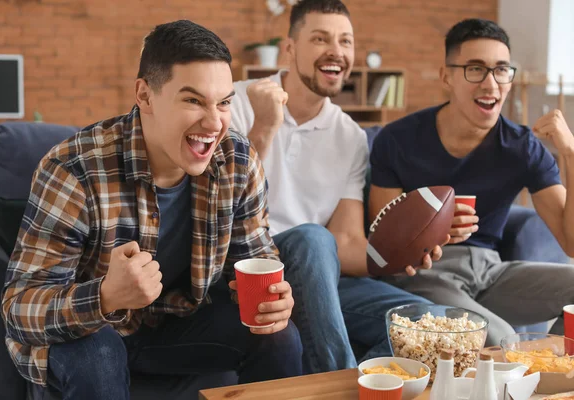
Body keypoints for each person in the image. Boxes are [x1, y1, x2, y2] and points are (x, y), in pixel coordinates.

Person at [1, 20, 302, 400]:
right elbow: (19, 308)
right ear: (145, 95)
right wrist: (106, 296)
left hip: (178, 325)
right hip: (89, 334)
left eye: (224, 102)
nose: (214, 123)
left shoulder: (237, 161)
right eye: (193, 100)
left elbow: (255, 258)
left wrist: (271, 300)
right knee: (100, 355)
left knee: (277, 336)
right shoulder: (74, 170)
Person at [230, 0, 438, 374]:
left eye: (346, 41)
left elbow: (344, 241)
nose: (337, 51)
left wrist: (397, 253)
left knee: (425, 319)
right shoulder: (237, 103)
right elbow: (219, 208)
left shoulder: (350, 136)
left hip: (317, 274)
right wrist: (263, 127)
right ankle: (338, 385)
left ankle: (354, 381)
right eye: (321, 39)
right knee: (313, 237)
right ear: (290, 49)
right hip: (253, 269)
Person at [369, 18, 574, 346]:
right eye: (475, 69)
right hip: (427, 276)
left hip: (489, 274)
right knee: (502, 338)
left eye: (501, 69)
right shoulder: (397, 140)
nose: (491, 84)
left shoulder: (522, 147)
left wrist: (571, 155)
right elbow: (384, 248)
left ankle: (550, 380)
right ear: (446, 76)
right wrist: (433, 231)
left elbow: (571, 243)